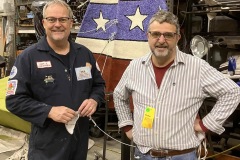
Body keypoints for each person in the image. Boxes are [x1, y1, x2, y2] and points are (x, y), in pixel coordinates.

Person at [113, 10, 240, 160]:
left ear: (178, 38)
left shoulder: (196, 67)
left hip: (181, 156)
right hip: (144, 154)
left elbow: (232, 92)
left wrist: (207, 125)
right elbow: (119, 95)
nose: (161, 40)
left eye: (168, 35)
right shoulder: (135, 67)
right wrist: (127, 126)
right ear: (148, 36)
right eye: (155, 34)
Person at [6, 0, 105, 160]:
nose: (57, 24)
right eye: (51, 19)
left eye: (63, 19)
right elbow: (14, 101)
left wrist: (94, 100)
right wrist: (49, 111)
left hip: (79, 146)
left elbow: (98, 85)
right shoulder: (28, 58)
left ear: (71, 22)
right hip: (46, 149)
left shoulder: (84, 54)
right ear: (44, 23)